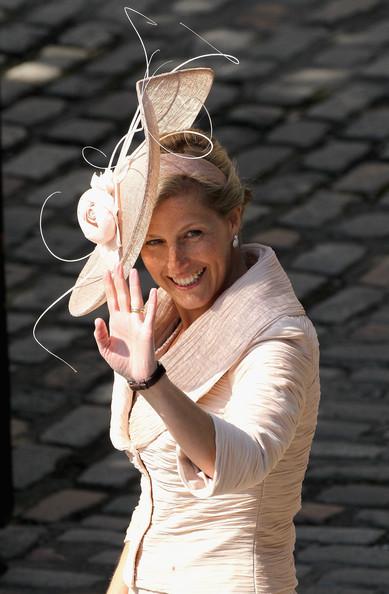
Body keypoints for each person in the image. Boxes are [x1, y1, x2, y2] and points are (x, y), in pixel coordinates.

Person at [69, 68, 320, 594]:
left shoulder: (279, 338)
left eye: (192, 234)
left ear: (234, 219)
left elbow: (242, 459)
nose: (174, 262)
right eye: (154, 243)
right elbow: (155, 503)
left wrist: (153, 381)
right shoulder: (156, 325)